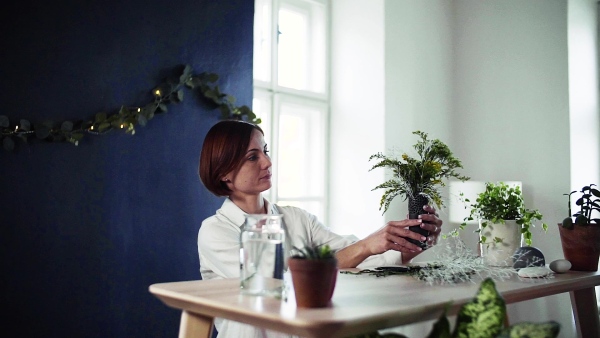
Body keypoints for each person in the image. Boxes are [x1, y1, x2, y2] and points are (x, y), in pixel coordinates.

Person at [197, 120, 443, 338]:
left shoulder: (297, 218)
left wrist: (411, 240)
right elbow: (275, 284)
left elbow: (356, 257)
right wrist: (365, 245)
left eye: (265, 151)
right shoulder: (215, 232)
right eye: (253, 157)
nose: (268, 162)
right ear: (225, 174)